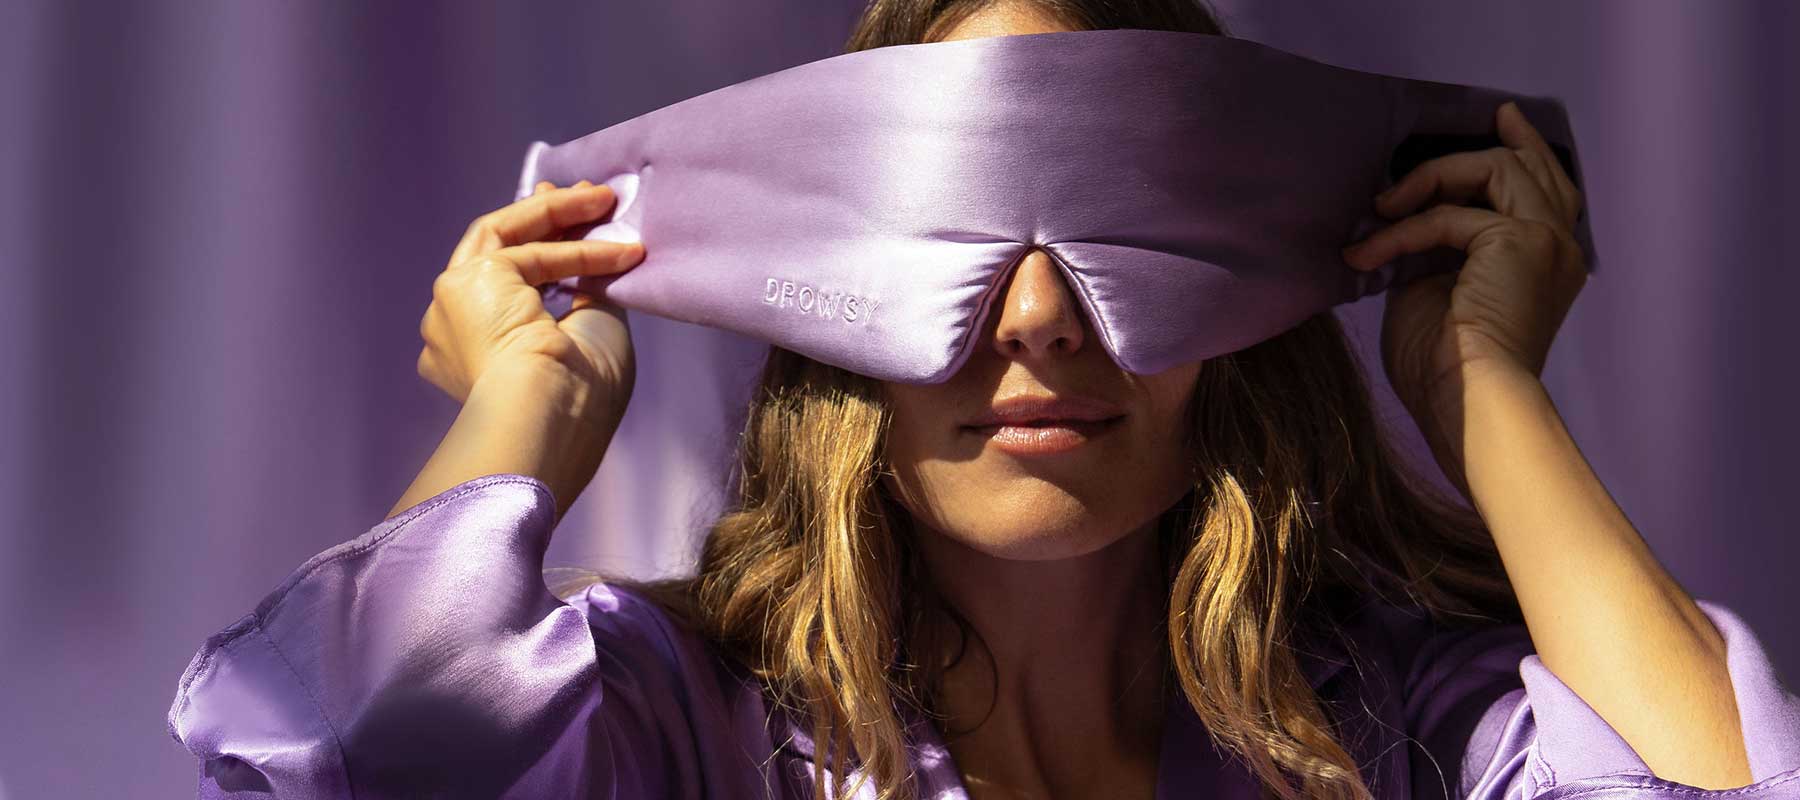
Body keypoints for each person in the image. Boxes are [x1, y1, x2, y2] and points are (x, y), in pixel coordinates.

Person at [167, 1, 1800, 798]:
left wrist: (1478, 384)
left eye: (1119, 229)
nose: (1035, 320)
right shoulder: (689, 729)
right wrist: (520, 404)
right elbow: (344, 769)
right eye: (949, 237)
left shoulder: (1392, 728)